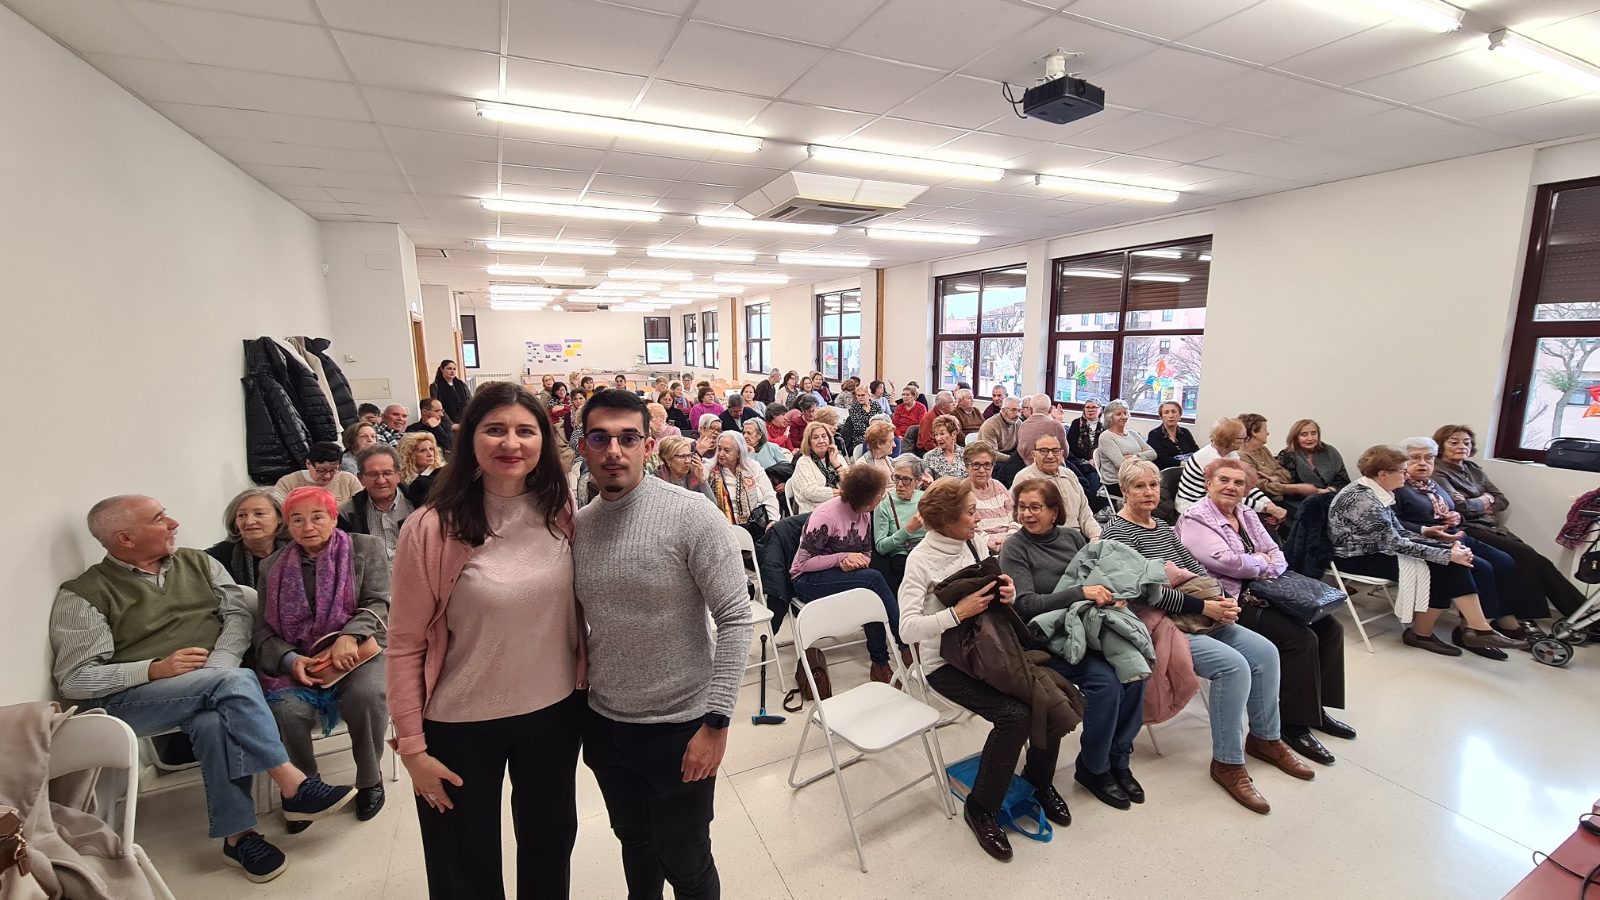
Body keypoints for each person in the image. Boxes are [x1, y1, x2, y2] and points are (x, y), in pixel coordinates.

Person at [51, 495, 354, 883]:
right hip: (136, 700)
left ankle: (238, 838)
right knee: (235, 684)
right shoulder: (84, 594)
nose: (174, 522)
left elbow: (237, 617)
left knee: (214, 718)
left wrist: (216, 671)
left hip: (211, 681)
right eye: (159, 519)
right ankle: (293, 785)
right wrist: (153, 669)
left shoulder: (199, 562)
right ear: (125, 538)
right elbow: (76, 679)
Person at [387, 381, 586, 899]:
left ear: (544, 440)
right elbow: (405, 643)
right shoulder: (430, 527)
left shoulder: (560, 511)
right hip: (458, 722)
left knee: (549, 843)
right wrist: (411, 748)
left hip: (552, 713)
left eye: (525, 430)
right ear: (468, 437)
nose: (510, 443)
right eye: (494, 429)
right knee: (464, 862)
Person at [574, 388, 753, 900]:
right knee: (634, 841)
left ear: (648, 446)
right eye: (600, 438)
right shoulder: (577, 528)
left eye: (628, 438)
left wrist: (716, 723)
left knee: (686, 860)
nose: (614, 451)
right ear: (584, 447)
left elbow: (736, 619)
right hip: (607, 725)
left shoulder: (692, 514)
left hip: (680, 727)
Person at [1103, 460, 1311, 814]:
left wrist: (1219, 599)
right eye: (1139, 486)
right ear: (1123, 491)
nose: (1149, 492)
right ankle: (1228, 763)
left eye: (1153, 485)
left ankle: (1264, 738)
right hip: (1156, 623)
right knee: (1234, 668)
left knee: (1265, 652)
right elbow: (1141, 593)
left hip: (1195, 612)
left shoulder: (1163, 527)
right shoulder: (1116, 534)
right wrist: (1204, 606)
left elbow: (1193, 567)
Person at [899, 477, 1072, 860]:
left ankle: (1039, 781)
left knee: (1046, 695)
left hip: (989, 650)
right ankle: (981, 808)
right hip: (944, 664)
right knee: (1015, 717)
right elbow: (907, 628)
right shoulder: (920, 561)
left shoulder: (972, 543)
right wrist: (955, 614)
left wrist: (1005, 592)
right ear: (946, 521)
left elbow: (989, 596)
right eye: (972, 512)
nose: (980, 518)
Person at [1175, 458, 1353, 765]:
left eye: (1239, 482)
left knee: (1330, 628)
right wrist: (1260, 564)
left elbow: (1275, 552)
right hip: (1229, 600)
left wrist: (1262, 564)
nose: (1232, 487)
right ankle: (1292, 726)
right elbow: (1224, 561)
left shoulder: (1245, 513)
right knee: (1298, 638)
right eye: (1224, 480)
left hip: (1264, 590)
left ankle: (1316, 710)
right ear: (1208, 484)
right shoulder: (1195, 518)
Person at [1000, 478, 1148, 809]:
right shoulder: (1016, 547)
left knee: (1136, 672)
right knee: (1107, 684)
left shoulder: (1071, 537)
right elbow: (1025, 604)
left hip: (1086, 627)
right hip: (1046, 639)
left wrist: (1113, 595)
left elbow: (1095, 576)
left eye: (1035, 507)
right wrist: (1082, 594)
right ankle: (1093, 769)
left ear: (1055, 511)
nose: (1027, 514)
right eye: (1022, 507)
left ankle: (1117, 759)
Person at [254, 487, 391, 828]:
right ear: (287, 526)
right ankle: (304, 788)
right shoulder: (272, 566)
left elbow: (379, 602)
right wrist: (290, 660)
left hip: (358, 651)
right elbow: (262, 631)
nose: (308, 526)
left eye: (317, 517)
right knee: (286, 708)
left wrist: (349, 635)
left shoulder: (364, 548)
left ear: (333, 518)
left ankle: (369, 780)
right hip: (301, 657)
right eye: (297, 520)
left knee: (366, 694)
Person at [1329, 445, 1528, 658]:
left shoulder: (1375, 490)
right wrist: (1446, 554)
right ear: (1383, 475)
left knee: (1454, 562)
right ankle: (1468, 630)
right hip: (1358, 557)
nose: (1406, 475)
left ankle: (1468, 629)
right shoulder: (1364, 500)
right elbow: (1396, 543)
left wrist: (1437, 538)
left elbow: (1397, 531)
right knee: (1447, 564)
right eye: (1402, 471)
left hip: (1379, 548)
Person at [1431, 424, 1587, 620]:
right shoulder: (1438, 471)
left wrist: (1479, 502)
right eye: (1454, 442)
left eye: (1467, 442)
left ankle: (1582, 616)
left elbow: (1502, 500)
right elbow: (1458, 508)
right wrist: (1485, 500)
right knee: (1525, 555)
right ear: (1441, 445)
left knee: (1540, 562)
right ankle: (1529, 618)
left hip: (1492, 527)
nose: (1462, 446)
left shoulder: (1473, 468)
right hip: (1467, 529)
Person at [1395, 437, 1530, 640]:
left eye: (1429, 458)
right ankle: (1472, 628)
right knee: (1480, 567)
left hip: (1454, 534)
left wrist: (1458, 516)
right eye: (1415, 458)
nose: (1423, 463)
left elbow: (1456, 511)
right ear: (1402, 461)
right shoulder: (1398, 487)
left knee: (1504, 560)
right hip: (1427, 540)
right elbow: (1394, 523)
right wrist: (1428, 528)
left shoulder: (1432, 485)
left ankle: (1503, 618)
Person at [791, 465, 911, 683]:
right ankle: (904, 643)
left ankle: (880, 664)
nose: (884, 496)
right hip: (807, 580)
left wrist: (856, 561)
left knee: (871, 594)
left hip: (841, 575)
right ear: (868, 498)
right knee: (872, 580)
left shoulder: (864, 514)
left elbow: (866, 552)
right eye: (881, 493)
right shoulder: (827, 516)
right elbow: (802, 563)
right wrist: (841, 559)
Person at [1175, 418, 1287, 524]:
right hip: (1194, 509)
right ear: (1233, 441)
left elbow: (1246, 486)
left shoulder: (1231, 454)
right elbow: (1225, 497)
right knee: (1257, 520)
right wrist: (1265, 508)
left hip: (1216, 504)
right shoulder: (1208, 459)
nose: (1245, 442)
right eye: (1244, 438)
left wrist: (1270, 504)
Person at [1012, 434, 1101, 539]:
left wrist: (1096, 536)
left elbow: (1085, 514)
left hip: (1077, 539)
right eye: (1044, 451)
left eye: (1055, 451)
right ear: (1033, 455)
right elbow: (1018, 517)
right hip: (1046, 542)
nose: (1050, 456)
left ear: (1062, 454)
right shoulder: (1025, 478)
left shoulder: (1069, 475)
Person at [338, 443, 414, 562]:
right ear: (360, 478)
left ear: (399, 475)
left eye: (387, 473)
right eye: (372, 474)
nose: (381, 480)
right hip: (371, 578)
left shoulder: (418, 505)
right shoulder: (347, 513)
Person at [1237, 413, 1323, 518]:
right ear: (1254, 432)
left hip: (1279, 500)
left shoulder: (1263, 449)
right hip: (1263, 505)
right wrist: (1296, 488)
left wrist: (1273, 478)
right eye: (1265, 429)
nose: (1268, 433)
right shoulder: (1242, 455)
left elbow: (1285, 474)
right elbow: (1262, 486)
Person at [206, 488, 288, 589]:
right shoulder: (216, 558)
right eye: (242, 515)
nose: (249, 522)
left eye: (259, 514)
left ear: (280, 517)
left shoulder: (297, 552)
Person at [872, 455, 928, 595]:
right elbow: (880, 547)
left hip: (929, 553)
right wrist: (907, 530)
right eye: (896, 478)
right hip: (904, 558)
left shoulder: (925, 498)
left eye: (906, 479)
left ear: (918, 480)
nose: (899, 484)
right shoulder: (884, 505)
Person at [705, 431, 778, 536]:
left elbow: (769, 494)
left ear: (739, 452)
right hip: (723, 529)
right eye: (719, 449)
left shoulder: (753, 466)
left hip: (756, 525)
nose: (720, 454)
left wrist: (773, 520)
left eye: (726, 450)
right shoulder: (709, 468)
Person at [965, 440, 1018, 552]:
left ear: (993, 466)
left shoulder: (999, 487)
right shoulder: (963, 491)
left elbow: (1016, 518)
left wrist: (1009, 541)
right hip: (983, 547)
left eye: (987, 465)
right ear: (966, 467)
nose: (982, 470)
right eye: (976, 465)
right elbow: (969, 529)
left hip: (1011, 542)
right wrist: (996, 545)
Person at [1094, 398, 1157, 491]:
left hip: (1139, 478)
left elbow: (1153, 454)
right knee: (1155, 492)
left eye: (1125, 413)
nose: (1124, 417)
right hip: (1117, 482)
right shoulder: (1106, 437)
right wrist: (1144, 457)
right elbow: (1122, 464)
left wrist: (1134, 456)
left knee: (1161, 487)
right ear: (1110, 417)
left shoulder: (1132, 433)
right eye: (1118, 414)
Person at [1276, 419, 1351, 495]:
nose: (1310, 438)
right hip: (1299, 500)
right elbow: (1283, 486)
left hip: (1330, 496)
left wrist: (1328, 490)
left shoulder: (1330, 452)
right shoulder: (1286, 455)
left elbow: (1343, 481)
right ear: (1295, 438)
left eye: (1313, 433)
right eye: (1304, 435)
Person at [275, 441, 363, 504]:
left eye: (333, 470)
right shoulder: (288, 483)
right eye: (321, 471)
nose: (327, 476)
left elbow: (362, 507)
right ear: (308, 464)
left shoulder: (348, 480)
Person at [790, 421, 846, 514]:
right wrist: (843, 493)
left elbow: (851, 485)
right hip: (815, 512)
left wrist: (836, 464)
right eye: (815, 438)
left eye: (824, 436)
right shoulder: (804, 462)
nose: (821, 441)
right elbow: (811, 492)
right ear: (808, 442)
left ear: (829, 439)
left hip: (839, 507)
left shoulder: (837, 457)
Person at [655, 434, 716, 503]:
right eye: (682, 457)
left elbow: (713, 505)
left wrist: (702, 480)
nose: (688, 461)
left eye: (689, 455)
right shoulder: (657, 480)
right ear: (667, 459)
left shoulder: (695, 473)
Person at [1016, 394, 1067, 467]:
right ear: (1050, 410)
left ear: (1030, 409)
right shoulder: (1057, 426)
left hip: (1029, 470)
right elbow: (1065, 453)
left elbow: (1021, 452)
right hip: (1054, 471)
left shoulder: (1023, 425)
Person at [1147, 400, 1198, 470]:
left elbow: (1196, 452)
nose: (1171, 416)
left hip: (1189, 468)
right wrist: (1187, 464)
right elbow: (1162, 459)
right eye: (1166, 412)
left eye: (1174, 412)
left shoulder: (1185, 432)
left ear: (1180, 416)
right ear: (1161, 417)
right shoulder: (1154, 434)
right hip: (1168, 472)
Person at [398, 431, 444, 506]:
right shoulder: (401, 481)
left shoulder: (443, 475)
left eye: (431, 449)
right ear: (409, 455)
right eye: (422, 450)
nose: (430, 454)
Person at [923, 414, 967, 480]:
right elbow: (925, 482)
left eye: (942, 434)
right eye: (936, 434)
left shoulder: (966, 454)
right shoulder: (929, 456)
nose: (938, 438)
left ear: (954, 434)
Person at [1066, 400, 1105, 466]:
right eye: (1087, 407)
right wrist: (1089, 459)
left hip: (1100, 460)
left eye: (1094, 407)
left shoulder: (1105, 425)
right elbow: (1072, 445)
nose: (1090, 410)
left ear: (1100, 410)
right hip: (1079, 459)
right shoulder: (1077, 423)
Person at [842, 383, 876, 453]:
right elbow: (859, 428)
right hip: (861, 437)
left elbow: (881, 421)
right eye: (858, 395)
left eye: (863, 395)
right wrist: (873, 430)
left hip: (876, 433)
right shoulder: (854, 408)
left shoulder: (876, 405)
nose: (860, 397)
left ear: (869, 395)